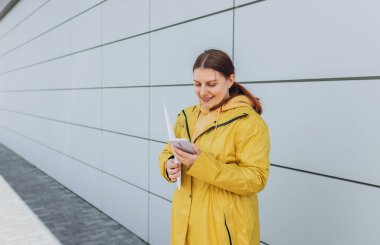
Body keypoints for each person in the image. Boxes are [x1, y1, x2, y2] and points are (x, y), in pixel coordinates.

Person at [159, 49, 270, 245]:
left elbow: (256, 179)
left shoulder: (248, 123)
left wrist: (202, 164)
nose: (203, 92)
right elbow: (168, 151)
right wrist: (169, 166)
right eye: (197, 84)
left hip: (224, 230)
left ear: (230, 79)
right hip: (184, 221)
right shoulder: (186, 116)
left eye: (211, 84)